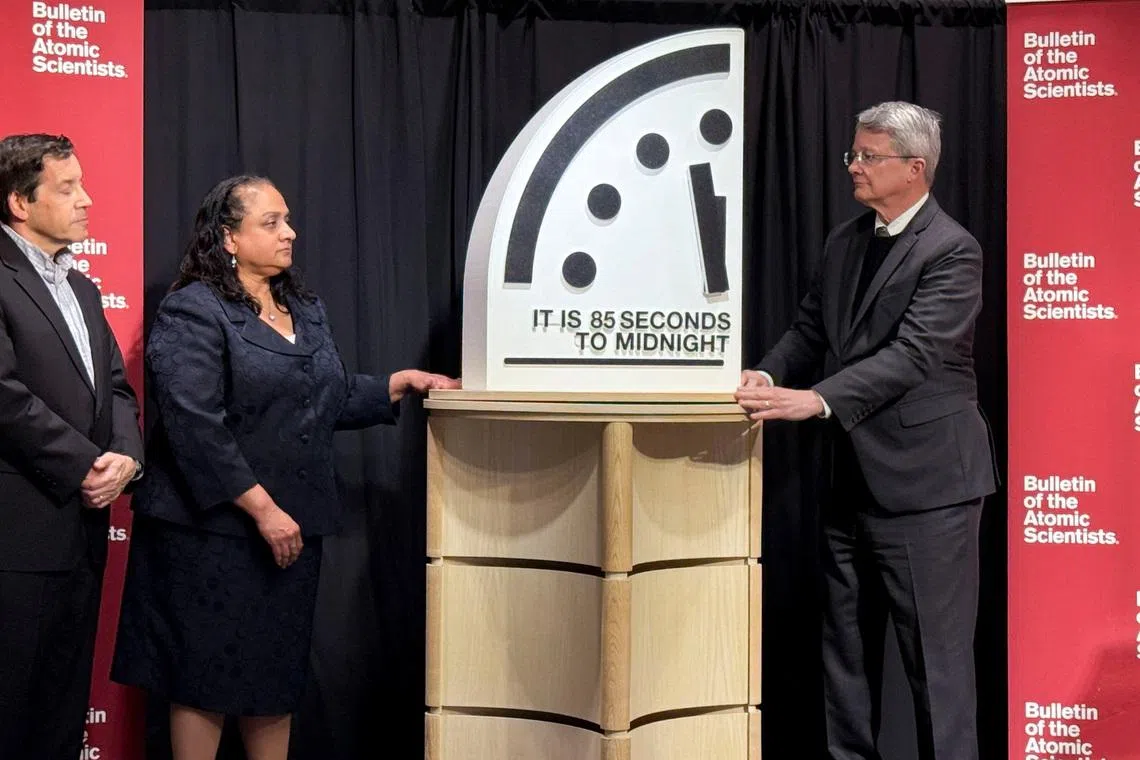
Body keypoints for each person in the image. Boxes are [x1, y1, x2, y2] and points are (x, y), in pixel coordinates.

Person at [111, 175, 459, 759]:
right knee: (203, 683)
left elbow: (320, 399)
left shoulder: (303, 307)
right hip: (212, 533)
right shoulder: (192, 310)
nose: (289, 232)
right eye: (270, 222)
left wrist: (397, 385)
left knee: (275, 679)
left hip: (289, 534)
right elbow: (196, 426)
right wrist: (265, 510)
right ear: (228, 237)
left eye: (287, 219)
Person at [735, 102, 997, 760]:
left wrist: (816, 400)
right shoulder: (845, 241)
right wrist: (767, 376)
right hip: (846, 482)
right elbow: (810, 331)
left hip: (928, 488)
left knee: (935, 666)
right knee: (843, 659)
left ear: (915, 168)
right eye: (853, 154)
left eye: (868, 156)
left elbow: (911, 356)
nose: (853, 166)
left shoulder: (953, 251)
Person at [0, 134, 143, 759]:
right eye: (67, 187)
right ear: (19, 203)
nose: (87, 200)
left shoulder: (82, 288)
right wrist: (86, 463)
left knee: (61, 710)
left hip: (81, 532)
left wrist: (127, 458)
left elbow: (115, 387)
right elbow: (2, 393)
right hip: (17, 532)